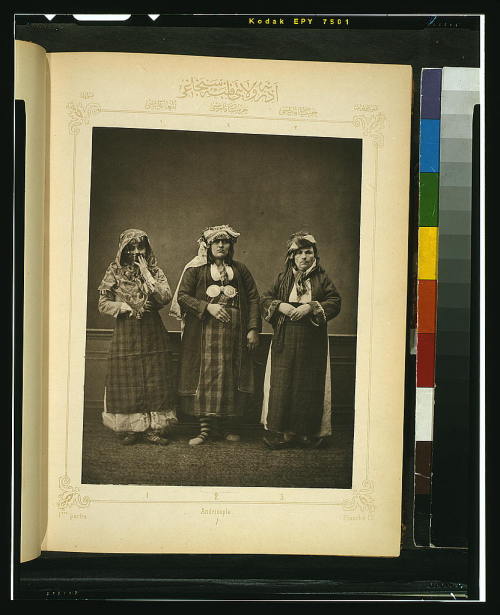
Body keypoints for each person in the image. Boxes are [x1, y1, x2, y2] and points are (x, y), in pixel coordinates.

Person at [170, 225, 260, 445]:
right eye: (216, 242)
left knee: (230, 377)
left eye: (225, 242)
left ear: (231, 246)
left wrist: (252, 329)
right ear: (208, 246)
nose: (221, 245)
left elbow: (254, 298)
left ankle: (227, 427)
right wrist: (207, 307)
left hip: (234, 335)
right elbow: (182, 296)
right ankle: (204, 430)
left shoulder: (240, 270)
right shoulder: (197, 271)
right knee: (205, 378)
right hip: (204, 335)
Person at [260, 231, 341, 449]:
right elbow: (265, 299)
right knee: (283, 382)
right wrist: (280, 305)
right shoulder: (281, 278)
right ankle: (283, 433)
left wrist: (311, 307)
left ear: (314, 255)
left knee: (307, 384)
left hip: (312, 339)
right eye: (299, 253)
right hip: (285, 337)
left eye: (308, 252)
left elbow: (334, 301)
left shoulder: (322, 279)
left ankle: (306, 432)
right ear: (292, 257)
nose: (304, 257)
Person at [98, 228, 177, 446]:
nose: (135, 252)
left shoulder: (155, 270)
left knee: (155, 376)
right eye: (130, 248)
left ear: (146, 248)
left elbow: (165, 298)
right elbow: (102, 303)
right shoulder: (114, 271)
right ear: (123, 249)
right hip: (126, 329)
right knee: (128, 377)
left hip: (152, 330)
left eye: (139, 247)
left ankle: (152, 428)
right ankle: (132, 427)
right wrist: (122, 306)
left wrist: (147, 274)